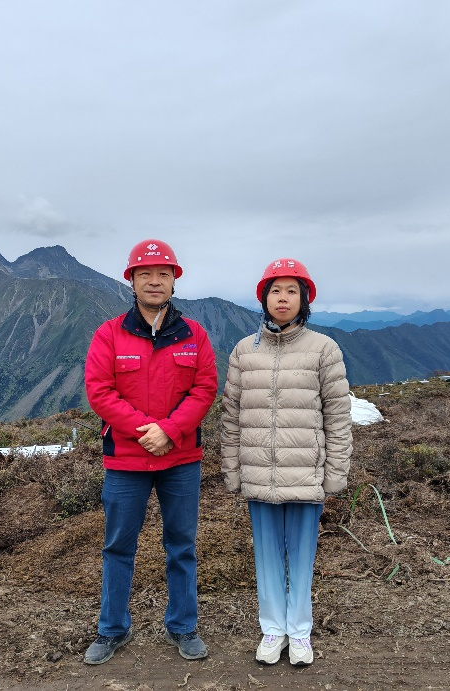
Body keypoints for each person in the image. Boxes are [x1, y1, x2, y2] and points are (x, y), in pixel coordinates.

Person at [83, 239, 218, 665]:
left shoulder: (194, 335)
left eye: (163, 274)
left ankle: (183, 626)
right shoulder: (109, 334)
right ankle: (112, 629)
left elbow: (204, 389)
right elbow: (99, 391)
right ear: (132, 281)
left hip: (181, 460)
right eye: (145, 274)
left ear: (175, 280)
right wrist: (147, 432)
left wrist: (170, 431)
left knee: (182, 545)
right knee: (118, 547)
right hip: (126, 460)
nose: (154, 281)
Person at [221, 258, 353, 667]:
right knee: (265, 558)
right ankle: (272, 628)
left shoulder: (324, 349)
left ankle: (299, 631)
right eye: (275, 290)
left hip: (305, 473)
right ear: (264, 297)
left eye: (291, 291)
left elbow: (338, 416)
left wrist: (335, 473)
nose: (283, 298)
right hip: (258, 472)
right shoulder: (244, 351)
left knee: (301, 557)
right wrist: (232, 470)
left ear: (304, 299)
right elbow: (231, 417)